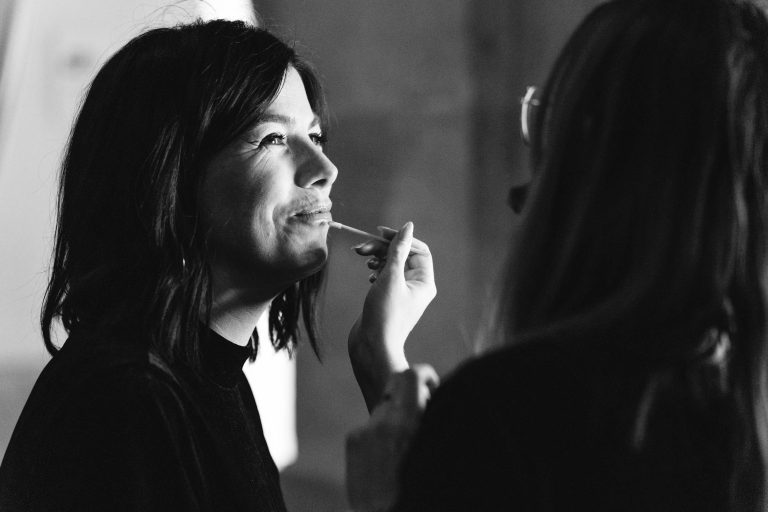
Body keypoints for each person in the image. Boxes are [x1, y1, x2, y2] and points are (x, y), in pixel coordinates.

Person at [347, 0, 768, 510]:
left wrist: (384, 494)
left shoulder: (510, 411)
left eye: (549, 127)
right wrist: (384, 360)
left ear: (588, 159)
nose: (521, 193)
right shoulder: (735, 399)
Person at [0, 19, 436, 511]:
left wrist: (380, 361)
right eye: (273, 138)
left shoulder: (203, 379)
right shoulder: (125, 402)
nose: (325, 170)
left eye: (315, 135)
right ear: (170, 179)